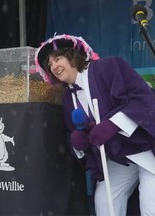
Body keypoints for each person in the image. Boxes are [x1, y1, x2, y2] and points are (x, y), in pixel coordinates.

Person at [35, 34, 155, 216]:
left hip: (146, 149)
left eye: (58, 58)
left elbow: (143, 99)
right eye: (50, 64)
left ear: (73, 56)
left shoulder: (109, 67)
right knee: (104, 202)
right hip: (117, 158)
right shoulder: (68, 98)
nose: (54, 66)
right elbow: (74, 133)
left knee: (151, 203)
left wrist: (113, 124)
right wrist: (78, 143)